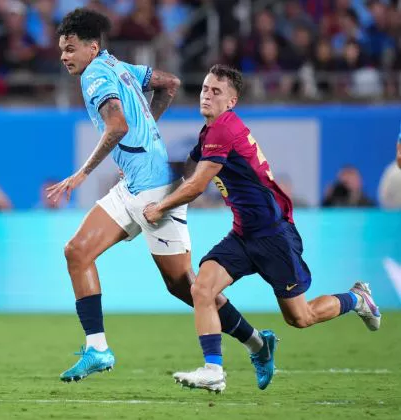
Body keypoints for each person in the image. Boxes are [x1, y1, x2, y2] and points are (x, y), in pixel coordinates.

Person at [49, 9, 274, 388]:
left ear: (92, 47)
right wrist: (147, 130)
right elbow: (169, 82)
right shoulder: (117, 65)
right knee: (77, 252)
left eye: (70, 49)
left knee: (184, 286)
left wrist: (83, 173)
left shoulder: (94, 75)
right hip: (134, 184)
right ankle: (98, 349)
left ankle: (257, 343)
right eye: (61, 50)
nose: (64, 57)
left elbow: (117, 125)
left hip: (157, 189)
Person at [143, 64, 381, 393]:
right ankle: (214, 368)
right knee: (202, 289)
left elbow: (198, 185)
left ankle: (357, 299)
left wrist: (160, 206)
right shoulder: (209, 132)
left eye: (216, 91)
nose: (207, 95)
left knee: (300, 317)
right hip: (243, 234)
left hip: (274, 236)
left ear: (232, 102)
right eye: (204, 89)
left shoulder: (224, 129)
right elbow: (188, 173)